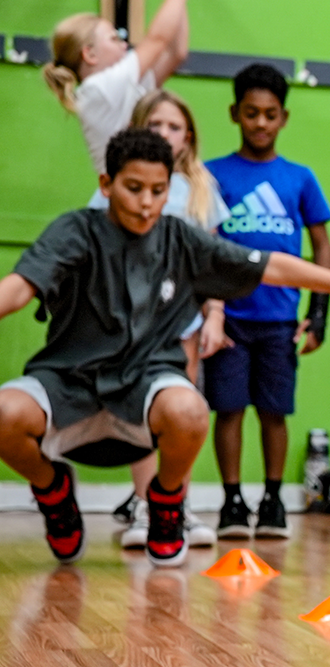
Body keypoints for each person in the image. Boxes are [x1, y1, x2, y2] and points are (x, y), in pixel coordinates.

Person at [0, 129, 330, 567]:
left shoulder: (182, 240)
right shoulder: (75, 231)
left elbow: (271, 265)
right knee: (5, 413)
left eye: (158, 191)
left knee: (193, 409)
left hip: (145, 384)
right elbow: (18, 289)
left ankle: (165, 501)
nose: (146, 202)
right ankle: (52, 491)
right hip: (69, 383)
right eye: (133, 188)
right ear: (107, 185)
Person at [91, 89, 231, 551]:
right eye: (155, 126)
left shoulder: (201, 187)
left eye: (174, 127)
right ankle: (145, 507)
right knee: (138, 414)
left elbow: (214, 264)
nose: (165, 134)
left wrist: (215, 315)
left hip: (183, 321)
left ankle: (177, 507)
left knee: (182, 413)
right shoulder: (114, 184)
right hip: (129, 321)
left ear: (188, 138)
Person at [205, 64, 330, 540]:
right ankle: (233, 501)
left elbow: (323, 248)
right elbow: (203, 242)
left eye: (271, 115)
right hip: (229, 318)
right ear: (235, 113)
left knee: (274, 411)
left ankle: (273, 500)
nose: (260, 123)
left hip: (279, 320)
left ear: (284, 118)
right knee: (229, 409)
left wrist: (319, 313)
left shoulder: (299, 179)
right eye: (251, 113)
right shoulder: (213, 175)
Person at [42, 0, 196, 175]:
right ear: (90, 54)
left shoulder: (123, 86)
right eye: (114, 38)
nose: (124, 45)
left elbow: (176, 53)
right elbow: (157, 40)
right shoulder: (99, 88)